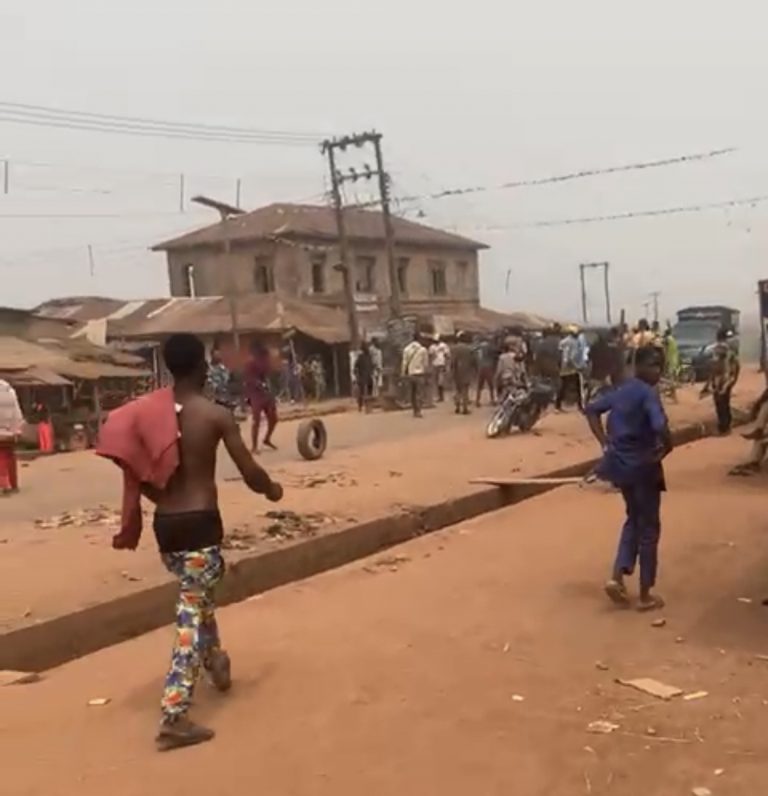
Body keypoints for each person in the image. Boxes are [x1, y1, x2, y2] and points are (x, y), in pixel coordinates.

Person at [99, 333, 283, 751]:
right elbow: (250, 472)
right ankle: (174, 714)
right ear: (202, 367)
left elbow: (140, 471)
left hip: (167, 527)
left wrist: (160, 498)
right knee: (189, 611)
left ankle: (215, 660)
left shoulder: (149, 416)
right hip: (201, 525)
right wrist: (271, 490)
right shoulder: (214, 414)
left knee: (197, 596)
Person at [585, 346, 672, 612]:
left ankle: (617, 576)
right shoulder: (648, 394)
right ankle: (645, 594)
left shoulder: (622, 390)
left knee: (633, 518)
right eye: (655, 365)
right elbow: (659, 426)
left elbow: (591, 410)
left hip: (619, 466)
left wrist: (606, 444)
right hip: (644, 467)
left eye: (660, 366)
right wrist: (667, 446)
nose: (658, 372)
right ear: (641, 366)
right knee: (649, 528)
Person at [701, 330, 740, 435]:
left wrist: (708, 383)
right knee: (724, 402)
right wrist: (733, 379)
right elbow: (735, 366)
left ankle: (724, 426)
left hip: (719, 379)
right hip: (724, 379)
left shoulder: (715, 350)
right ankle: (725, 426)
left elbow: (712, 367)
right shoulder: (728, 350)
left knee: (720, 403)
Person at [244, 341, 278, 452]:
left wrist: (269, 387)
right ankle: (254, 447)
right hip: (255, 394)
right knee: (256, 420)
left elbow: (268, 377)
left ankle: (267, 439)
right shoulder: (251, 363)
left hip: (266, 393)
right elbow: (249, 379)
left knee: (273, 418)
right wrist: (259, 384)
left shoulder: (266, 363)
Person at [0, 379, 24, 495]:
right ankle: (13, 484)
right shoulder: (10, 391)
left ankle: (4, 486)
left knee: (1, 458)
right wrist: (17, 429)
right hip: (10, 432)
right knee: (10, 457)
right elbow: (17, 413)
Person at [557, 326, 584, 411]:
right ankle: (580, 406)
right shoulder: (575, 342)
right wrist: (577, 366)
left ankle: (557, 405)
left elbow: (560, 354)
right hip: (572, 368)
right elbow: (571, 357)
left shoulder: (562, 342)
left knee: (563, 387)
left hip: (563, 367)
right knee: (579, 386)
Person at [401, 332, 428, 418]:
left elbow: (404, 363)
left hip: (410, 374)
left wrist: (402, 373)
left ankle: (414, 410)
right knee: (419, 393)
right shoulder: (423, 350)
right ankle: (418, 411)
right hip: (420, 374)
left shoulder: (407, 349)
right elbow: (425, 363)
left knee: (412, 393)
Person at [451, 331, 475, 415]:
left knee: (458, 390)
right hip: (466, 371)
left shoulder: (454, 348)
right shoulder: (469, 349)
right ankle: (465, 408)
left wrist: (452, 370)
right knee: (465, 391)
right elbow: (473, 361)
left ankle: (457, 407)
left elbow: (452, 361)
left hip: (457, 371)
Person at [474, 336, 497, 407]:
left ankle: (477, 400)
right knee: (491, 385)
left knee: (479, 385)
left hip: (481, 366)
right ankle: (492, 400)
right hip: (488, 366)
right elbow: (494, 354)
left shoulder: (478, 347)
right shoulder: (490, 347)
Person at [429, 335, 451, 402]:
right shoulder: (432, 347)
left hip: (441, 364)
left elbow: (448, 355)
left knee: (440, 381)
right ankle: (437, 396)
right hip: (435, 364)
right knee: (436, 381)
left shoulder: (443, 346)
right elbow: (430, 355)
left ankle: (441, 396)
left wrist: (447, 364)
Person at [354, 342, 375, 413]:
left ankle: (365, 407)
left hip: (366, 377)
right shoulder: (365, 357)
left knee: (364, 393)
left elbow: (355, 367)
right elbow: (355, 367)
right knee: (365, 393)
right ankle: (363, 407)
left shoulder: (366, 357)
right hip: (365, 377)